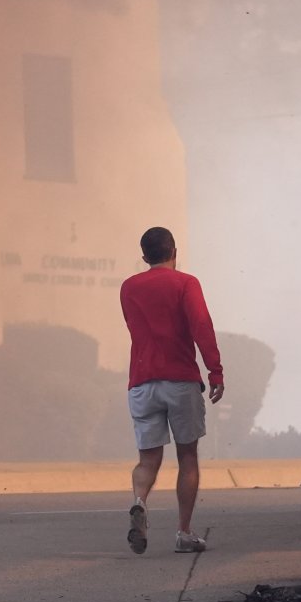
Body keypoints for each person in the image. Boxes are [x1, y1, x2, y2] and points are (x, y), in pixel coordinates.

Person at [120, 225, 223, 554]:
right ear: (174, 252)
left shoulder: (129, 288)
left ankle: (139, 501)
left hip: (142, 382)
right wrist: (215, 370)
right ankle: (184, 532)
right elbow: (201, 327)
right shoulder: (186, 284)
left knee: (147, 459)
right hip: (179, 380)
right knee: (187, 456)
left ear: (144, 257)